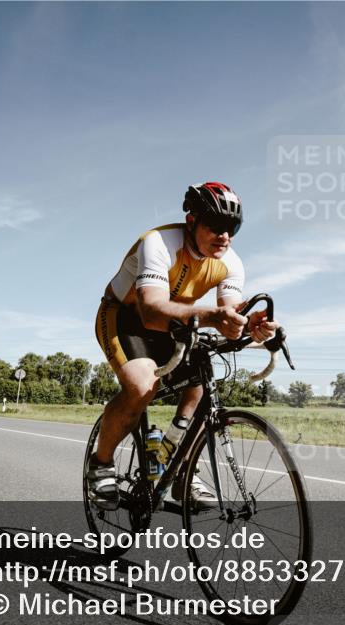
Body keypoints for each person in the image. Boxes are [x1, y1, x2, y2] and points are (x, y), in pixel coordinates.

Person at [89, 182, 277, 511]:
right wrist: (213, 317)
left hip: (177, 320)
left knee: (202, 384)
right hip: (125, 315)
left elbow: (230, 313)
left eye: (232, 228)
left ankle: (182, 472)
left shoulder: (231, 263)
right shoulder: (158, 243)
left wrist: (251, 325)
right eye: (215, 225)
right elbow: (151, 311)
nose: (224, 236)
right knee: (141, 387)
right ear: (191, 220)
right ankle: (101, 464)